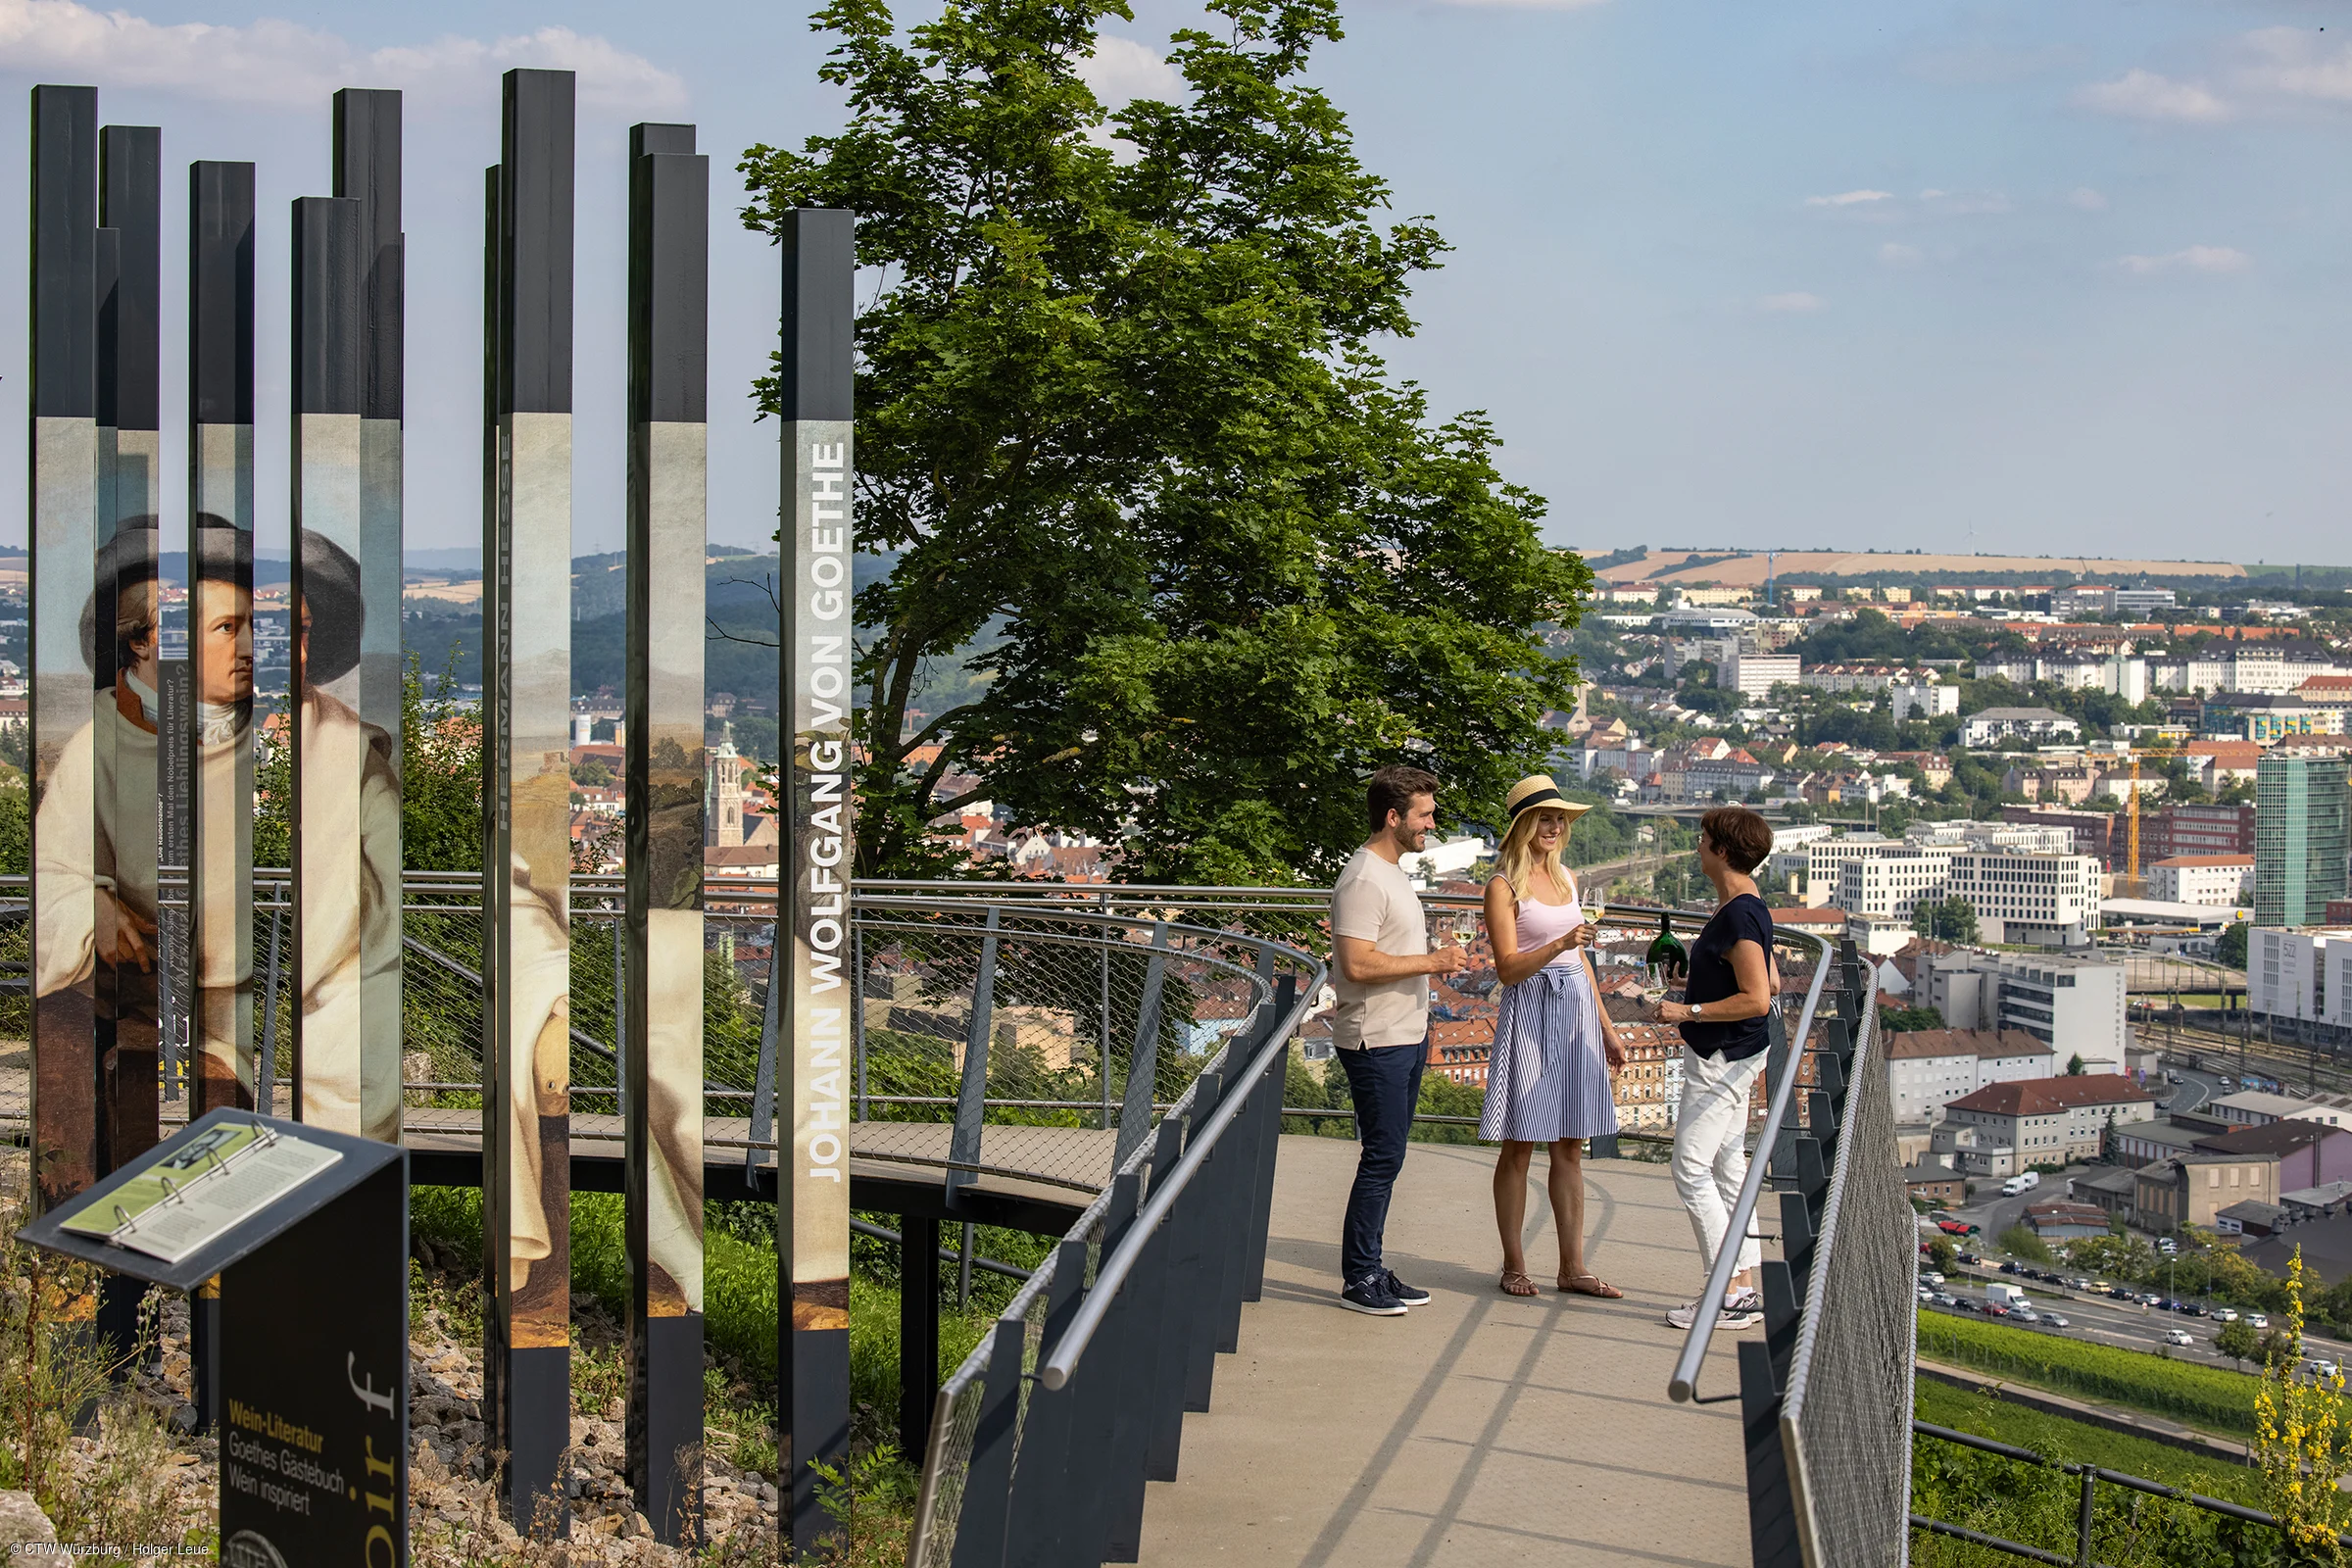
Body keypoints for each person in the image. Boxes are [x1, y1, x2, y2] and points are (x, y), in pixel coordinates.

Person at [1479, 775, 1628, 1298]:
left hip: (1576, 1014)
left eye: (1561, 819)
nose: (1556, 826)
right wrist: (1561, 941)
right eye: (1546, 818)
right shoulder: (1502, 886)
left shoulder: (1567, 877)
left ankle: (1573, 1268)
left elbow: (1580, 959)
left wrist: (1607, 1028)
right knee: (1520, 1144)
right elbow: (1507, 969)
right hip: (1532, 1011)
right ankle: (1514, 1264)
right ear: (1523, 824)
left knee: (1570, 1145)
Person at [1328, 764, 1466, 1316]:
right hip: (1376, 1037)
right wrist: (1432, 961)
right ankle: (1359, 1278)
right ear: (1393, 817)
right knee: (1382, 1157)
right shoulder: (1364, 878)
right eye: (1425, 814)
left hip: (1404, 1032)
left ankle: (1372, 1268)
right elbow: (1356, 965)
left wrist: (1428, 965)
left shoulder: (1391, 872)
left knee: (1389, 1156)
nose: (1431, 823)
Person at [1656, 806, 1780, 1332]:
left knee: (1689, 1168)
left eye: (1703, 838)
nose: (1697, 845)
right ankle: (1744, 1287)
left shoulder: (1738, 914)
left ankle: (1724, 1293)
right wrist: (1700, 970)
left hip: (1721, 1058)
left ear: (1722, 850)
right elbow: (1770, 980)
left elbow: (1756, 997)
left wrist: (1688, 1009)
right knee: (1730, 1169)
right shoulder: (1745, 903)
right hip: (1739, 1053)